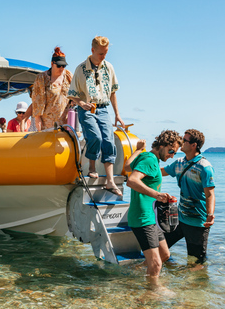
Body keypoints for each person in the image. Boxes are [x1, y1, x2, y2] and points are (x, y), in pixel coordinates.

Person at [68, 36, 124, 196]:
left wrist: (117, 115)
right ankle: (92, 166)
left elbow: (113, 92)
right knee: (96, 138)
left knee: (108, 139)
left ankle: (110, 181)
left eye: (106, 53)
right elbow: (72, 94)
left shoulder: (109, 67)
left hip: (104, 108)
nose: (104, 57)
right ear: (92, 50)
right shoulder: (80, 69)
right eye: (101, 54)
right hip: (86, 109)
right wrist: (82, 104)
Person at [126, 130, 182, 286]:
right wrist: (156, 194)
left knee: (164, 255)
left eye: (175, 153)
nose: (172, 155)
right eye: (171, 151)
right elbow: (131, 180)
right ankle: (151, 295)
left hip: (151, 217)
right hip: (143, 218)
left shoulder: (147, 157)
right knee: (156, 264)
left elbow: (127, 166)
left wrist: (137, 150)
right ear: (163, 145)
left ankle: (135, 272)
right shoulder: (150, 159)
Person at [162, 129, 216, 265]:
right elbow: (161, 172)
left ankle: (195, 284)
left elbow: (210, 194)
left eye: (185, 140)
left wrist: (210, 214)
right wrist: (140, 172)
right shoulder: (179, 162)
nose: (181, 142)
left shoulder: (205, 167)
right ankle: (172, 272)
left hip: (198, 222)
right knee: (160, 246)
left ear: (194, 145)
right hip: (180, 218)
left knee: (196, 261)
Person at [31, 47, 73, 131]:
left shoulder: (68, 75)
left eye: (63, 66)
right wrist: (37, 118)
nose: (61, 68)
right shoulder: (42, 78)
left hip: (65, 121)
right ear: (52, 64)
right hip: (48, 122)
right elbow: (37, 99)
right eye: (58, 66)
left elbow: (75, 92)